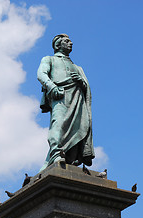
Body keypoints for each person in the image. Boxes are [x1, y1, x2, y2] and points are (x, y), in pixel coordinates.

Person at [37, 34, 95, 171]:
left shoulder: (78, 67)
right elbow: (41, 74)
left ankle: (70, 157)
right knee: (59, 123)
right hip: (60, 95)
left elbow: (86, 87)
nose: (71, 43)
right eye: (67, 41)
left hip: (77, 97)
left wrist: (81, 82)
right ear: (58, 44)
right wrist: (52, 87)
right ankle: (56, 153)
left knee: (80, 125)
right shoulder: (49, 59)